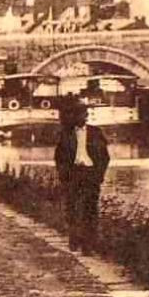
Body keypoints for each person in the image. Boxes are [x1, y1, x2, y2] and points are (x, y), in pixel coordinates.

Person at [53, 102, 110, 252]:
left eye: (84, 114)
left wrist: (99, 175)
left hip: (91, 174)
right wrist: (64, 176)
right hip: (73, 174)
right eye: (78, 114)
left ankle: (88, 244)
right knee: (72, 208)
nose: (82, 117)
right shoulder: (66, 134)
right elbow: (59, 157)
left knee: (90, 210)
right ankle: (74, 238)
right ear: (74, 116)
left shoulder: (96, 132)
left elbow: (104, 157)